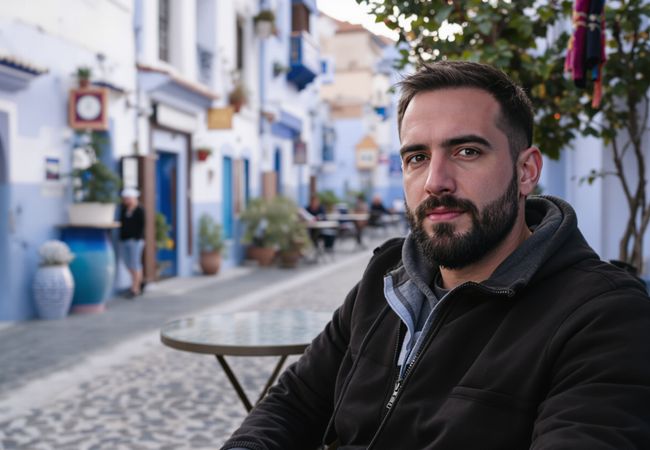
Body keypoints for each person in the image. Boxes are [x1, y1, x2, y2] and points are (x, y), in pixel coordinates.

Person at [222, 61, 650, 449]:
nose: (435, 181)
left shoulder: (603, 316)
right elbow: (295, 401)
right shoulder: (386, 276)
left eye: (467, 152)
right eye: (417, 157)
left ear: (526, 171)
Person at [119, 187, 145, 298]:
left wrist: (136, 238)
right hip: (125, 240)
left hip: (135, 241)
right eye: (125, 199)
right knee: (128, 263)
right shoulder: (124, 210)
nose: (126, 201)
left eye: (128, 198)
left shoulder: (140, 210)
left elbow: (141, 226)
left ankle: (135, 288)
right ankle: (139, 281)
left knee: (135, 263)